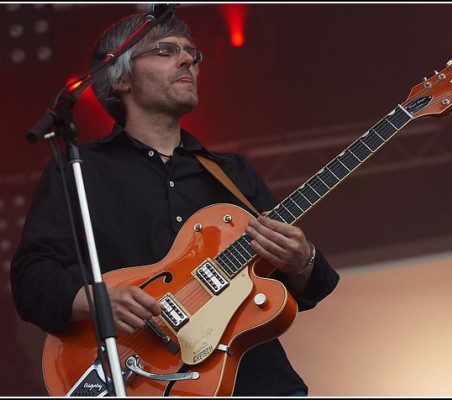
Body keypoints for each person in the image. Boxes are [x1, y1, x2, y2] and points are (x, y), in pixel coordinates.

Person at [10, 8, 340, 397]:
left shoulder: (231, 173)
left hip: (252, 382)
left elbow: (289, 292)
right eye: (166, 50)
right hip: (137, 375)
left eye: (191, 54)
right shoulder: (80, 170)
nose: (188, 60)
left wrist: (301, 260)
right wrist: (97, 301)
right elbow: (31, 279)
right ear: (122, 78)